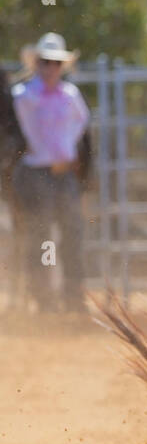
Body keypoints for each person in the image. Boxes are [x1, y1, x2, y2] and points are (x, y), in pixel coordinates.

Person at [10, 33, 92, 313]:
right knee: (40, 235)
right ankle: (43, 299)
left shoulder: (70, 96)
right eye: (45, 62)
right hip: (35, 173)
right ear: (36, 64)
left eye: (55, 63)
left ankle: (72, 296)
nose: (50, 68)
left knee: (73, 233)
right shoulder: (22, 96)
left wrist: (66, 151)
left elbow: (81, 123)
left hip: (63, 174)